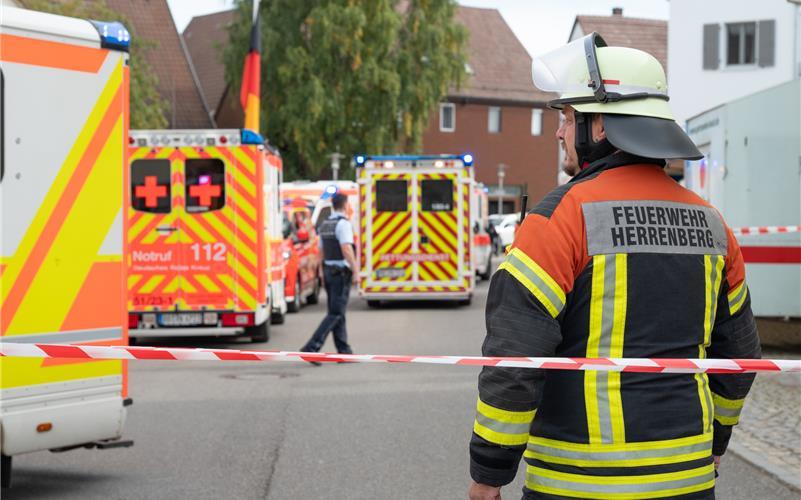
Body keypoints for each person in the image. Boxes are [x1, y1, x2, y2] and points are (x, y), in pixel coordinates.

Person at [468, 33, 760, 500]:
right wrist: (718, 440)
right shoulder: (713, 224)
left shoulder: (557, 217)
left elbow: (515, 360)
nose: (560, 132)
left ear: (599, 125)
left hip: (578, 483)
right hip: (688, 481)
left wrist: (488, 473)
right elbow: (740, 356)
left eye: (566, 117)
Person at [300, 192, 356, 362]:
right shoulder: (343, 224)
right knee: (335, 313)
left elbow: (321, 252)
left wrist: (319, 272)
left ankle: (344, 351)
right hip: (340, 272)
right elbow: (346, 248)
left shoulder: (326, 224)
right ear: (346, 205)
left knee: (338, 313)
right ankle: (311, 348)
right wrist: (356, 270)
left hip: (328, 271)